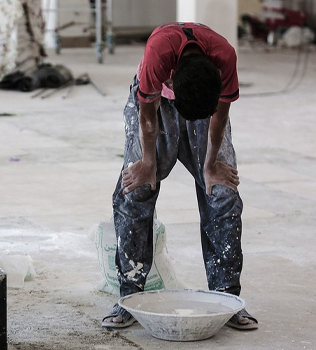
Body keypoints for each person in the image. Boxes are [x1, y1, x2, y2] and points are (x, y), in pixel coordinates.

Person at [102, 22, 258, 330]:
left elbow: (220, 114)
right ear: (171, 76)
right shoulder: (158, 53)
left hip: (204, 106)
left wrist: (211, 164)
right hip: (156, 107)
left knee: (223, 194)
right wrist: (148, 162)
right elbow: (147, 117)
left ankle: (227, 298)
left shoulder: (224, 57)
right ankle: (129, 297)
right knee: (134, 191)